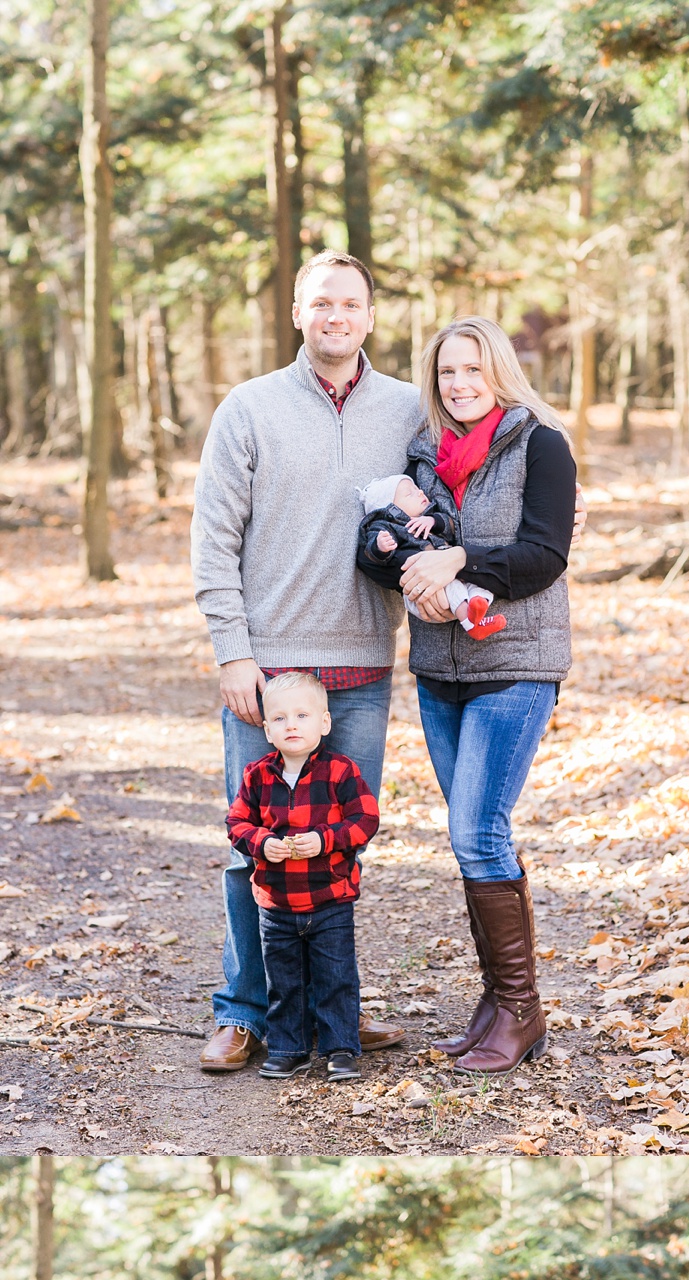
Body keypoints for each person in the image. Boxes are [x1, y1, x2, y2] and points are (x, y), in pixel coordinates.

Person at [191, 249, 420, 1072]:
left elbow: (453, 493)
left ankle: (333, 1014)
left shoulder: (406, 409)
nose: (336, 316)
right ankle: (246, 1011)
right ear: (297, 313)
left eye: (350, 304)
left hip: (359, 668)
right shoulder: (248, 408)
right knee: (251, 845)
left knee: (338, 846)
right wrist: (232, 653)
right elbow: (213, 539)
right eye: (321, 302)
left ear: (369, 316)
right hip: (268, 672)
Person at [360, 312, 577, 1074]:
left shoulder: (539, 442)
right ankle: (498, 1005)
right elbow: (397, 545)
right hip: (440, 668)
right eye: (447, 372)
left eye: (472, 369)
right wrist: (408, 575)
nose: (458, 384)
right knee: (474, 837)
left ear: (499, 373)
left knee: (474, 830)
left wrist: (457, 560)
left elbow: (544, 555)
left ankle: (520, 1012)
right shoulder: (422, 456)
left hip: (515, 664)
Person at [226, 669, 379, 1084]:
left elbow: (366, 819)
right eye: (279, 719)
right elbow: (237, 823)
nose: (291, 725)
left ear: (324, 723)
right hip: (276, 904)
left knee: (336, 977)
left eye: (302, 716)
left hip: (331, 899)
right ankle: (288, 1049)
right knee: (284, 981)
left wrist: (326, 839)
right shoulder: (257, 776)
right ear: (267, 729)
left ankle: (340, 1049)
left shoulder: (340, 772)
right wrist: (261, 843)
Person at [357, 472, 505, 640]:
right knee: (452, 587)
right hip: (423, 589)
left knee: (480, 579)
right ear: (390, 508)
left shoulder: (428, 517)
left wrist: (433, 521)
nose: (420, 492)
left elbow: (450, 528)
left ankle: (478, 603)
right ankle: (471, 624)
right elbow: (374, 555)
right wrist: (380, 546)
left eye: (417, 489)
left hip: (446, 572)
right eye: (409, 493)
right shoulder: (386, 526)